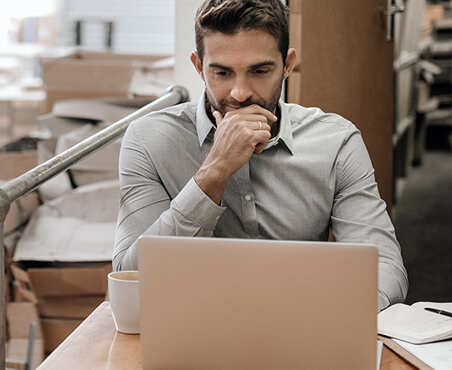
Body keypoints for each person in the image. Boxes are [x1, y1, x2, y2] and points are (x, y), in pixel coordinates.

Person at [113, 0, 408, 310]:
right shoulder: (149, 139)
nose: (240, 92)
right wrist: (214, 172)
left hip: (307, 322)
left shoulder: (336, 141)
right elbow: (131, 275)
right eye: (222, 72)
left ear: (287, 64)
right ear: (199, 67)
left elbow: (385, 268)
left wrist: (328, 317)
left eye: (259, 70)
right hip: (191, 324)